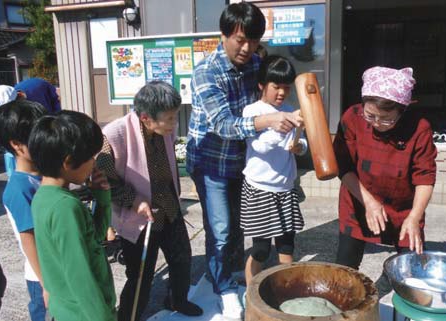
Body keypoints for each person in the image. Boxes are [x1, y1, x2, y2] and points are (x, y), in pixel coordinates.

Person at [187, 3, 302, 319]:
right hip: (211, 160)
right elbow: (224, 125)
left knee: (240, 226)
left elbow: (273, 89)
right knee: (221, 230)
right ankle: (223, 288)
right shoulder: (205, 72)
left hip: (244, 162)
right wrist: (269, 121)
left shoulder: (256, 63)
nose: (247, 48)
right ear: (224, 34)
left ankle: (233, 273)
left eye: (254, 41)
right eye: (240, 40)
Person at [97, 82, 202, 321]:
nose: (175, 123)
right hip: (138, 216)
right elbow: (104, 181)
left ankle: (178, 299)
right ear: (145, 117)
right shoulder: (114, 135)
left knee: (181, 258)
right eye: (171, 118)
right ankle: (128, 317)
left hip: (168, 208)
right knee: (141, 275)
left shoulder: (164, 130)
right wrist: (134, 200)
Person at [333, 66, 437, 297]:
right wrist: (369, 202)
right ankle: (343, 306)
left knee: (411, 268)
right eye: (370, 115)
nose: (376, 123)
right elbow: (344, 166)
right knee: (345, 266)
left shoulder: (419, 129)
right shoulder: (353, 116)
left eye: (386, 119)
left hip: (402, 205)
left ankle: (396, 292)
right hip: (359, 198)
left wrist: (415, 216)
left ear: (402, 110)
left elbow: (425, 176)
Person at [28, 110, 116, 321]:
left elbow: (94, 237)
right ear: (68, 162)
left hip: (69, 310)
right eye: (90, 158)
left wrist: (102, 197)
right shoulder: (65, 207)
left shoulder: (44, 196)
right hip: (84, 315)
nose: (94, 163)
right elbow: (80, 277)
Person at [240, 56, 307, 287]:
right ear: (262, 84)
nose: (281, 92)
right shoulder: (252, 110)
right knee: (260, 250)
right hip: (260, 190)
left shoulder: (289, 110)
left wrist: (300, 146)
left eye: (286, 88)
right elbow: (258, 146)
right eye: (276, 86)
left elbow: (300, 143)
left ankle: (285, 292)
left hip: (285, 189)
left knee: (287, 246)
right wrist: (278, 127)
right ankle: (251, 292)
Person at [0, 100, 48, 321]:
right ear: (16, 144)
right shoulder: (19, 187)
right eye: (39, 136)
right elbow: (29, 239)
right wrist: (46, 284)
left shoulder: (42, 175)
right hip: (41, 276)